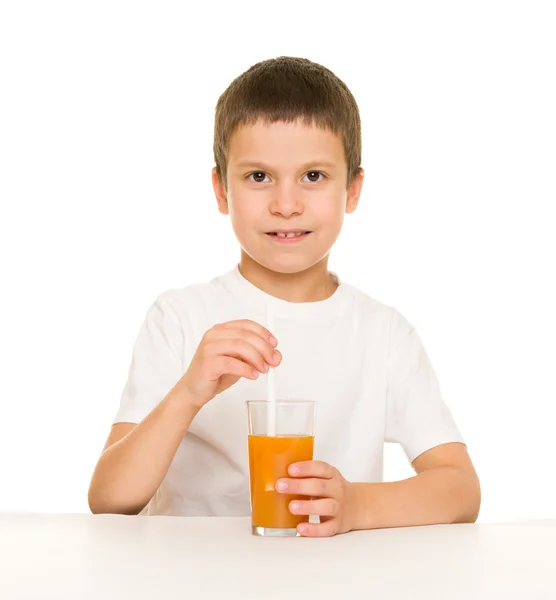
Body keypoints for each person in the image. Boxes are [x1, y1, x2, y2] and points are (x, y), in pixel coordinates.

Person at [88, 56, 481, 537]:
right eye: (259, 177)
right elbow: (108, 499)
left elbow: (461, 490)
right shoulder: (180, 318)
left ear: (353, 190)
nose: (287, 204)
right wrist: (189, 392)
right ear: (221, 190)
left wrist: (356, 506)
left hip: (331, 581)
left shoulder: (383, 334)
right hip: (195, 581)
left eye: (313, 176)